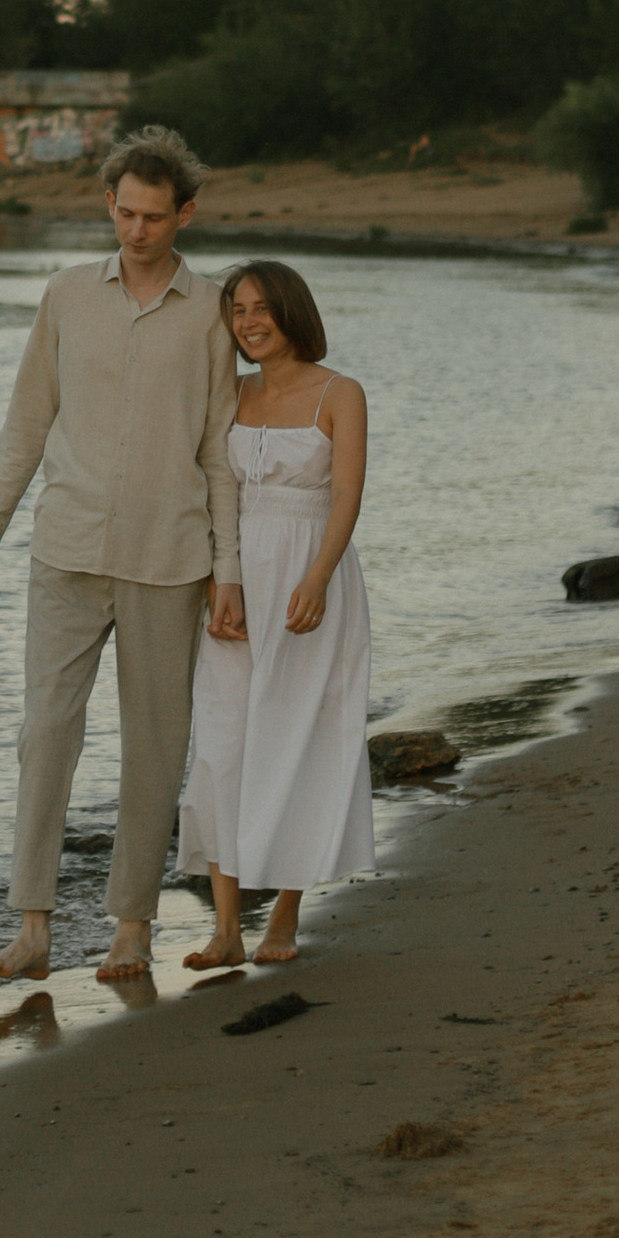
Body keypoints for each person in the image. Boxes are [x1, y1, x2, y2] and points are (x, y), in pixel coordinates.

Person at [0, 129, 245, 987]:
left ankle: (130, 928)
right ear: (108, 205)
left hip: (170, 556)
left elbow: (220, 453)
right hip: (68, 547)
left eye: (155, 217)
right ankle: (33, 928)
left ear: (184, 214)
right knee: (45, 732)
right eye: (125, 213)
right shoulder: (65, 296)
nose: (137, 231)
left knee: (156, 746)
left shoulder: (211, 311)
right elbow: (26, 421)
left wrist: (227, 571)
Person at [177, 260, 372, 970]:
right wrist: (213, 582)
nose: (249, 322)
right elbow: (209, 490)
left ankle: (284, 914)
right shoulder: (230, 393)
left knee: (301, 739)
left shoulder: (340, 393)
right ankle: (226, 929)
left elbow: (347, 494)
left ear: (291, 310)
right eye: (237, 312)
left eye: (261, 307)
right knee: (222, 744)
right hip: (233, 581)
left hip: (308, 577)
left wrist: (317, 577)